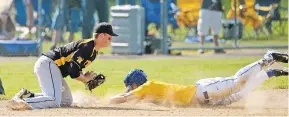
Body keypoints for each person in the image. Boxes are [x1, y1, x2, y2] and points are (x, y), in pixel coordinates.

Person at [109, 50, 288, 106]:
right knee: (236, 95)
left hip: (203, 90)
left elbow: (123, 99)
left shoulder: (148, 87)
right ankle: (269, 73)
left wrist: (104, 103)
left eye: (130, 86)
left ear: (135, 83)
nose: (129, 90)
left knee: (236, 82)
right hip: (205, 100)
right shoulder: (150, 95)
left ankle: (267, 58)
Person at [8, 22, 118, 110]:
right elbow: (73, 71)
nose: (110, 40)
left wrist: (85, 77)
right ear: (102, 35)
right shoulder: (87, 47)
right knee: (54, 100)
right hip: (48, 64)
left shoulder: (93, 52)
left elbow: (75, 68)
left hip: (53, 68)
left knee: (66, 100)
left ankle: (27, 95)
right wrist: (85, 79)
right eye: (109, 37)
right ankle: (21, 102)